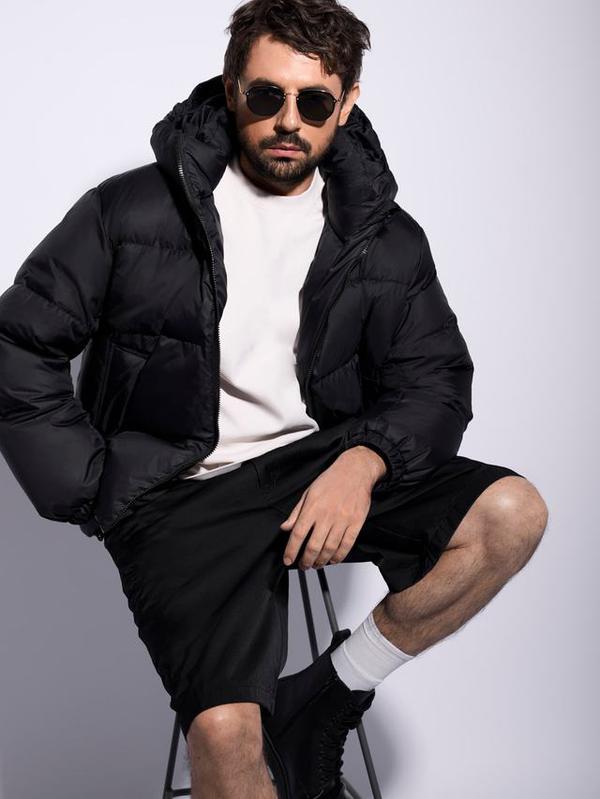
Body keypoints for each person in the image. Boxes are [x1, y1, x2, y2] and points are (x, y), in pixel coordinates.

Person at [0, 1, 549, 797]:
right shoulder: (131, 210)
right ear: (231, 89)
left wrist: (365, 460)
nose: (289, 121)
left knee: (511, 513)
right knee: (227, 741)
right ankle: (278, 720)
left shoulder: (383, 236)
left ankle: (327, 694)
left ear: (346, 104)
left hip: (320, 469)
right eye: (267, 95)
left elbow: (434, 379)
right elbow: (19, 341)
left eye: (315, 101)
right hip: (183, 495)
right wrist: (95, 487)